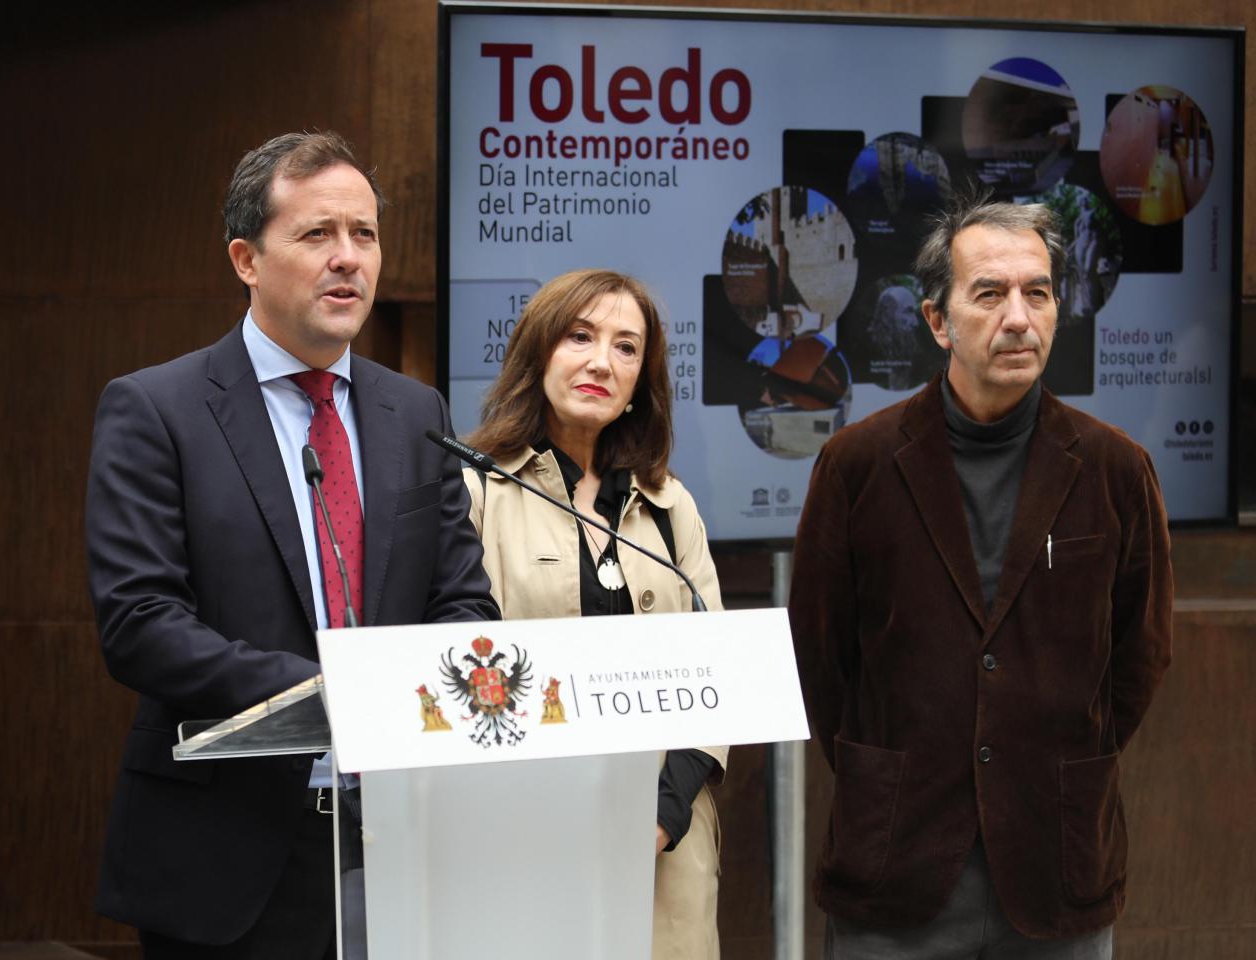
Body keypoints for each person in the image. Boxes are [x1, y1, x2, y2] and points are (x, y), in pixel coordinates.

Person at [84, 130, 497, 958]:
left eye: (365, 235)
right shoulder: (157, 410)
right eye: (317, 235)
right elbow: (141, 622)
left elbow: (462, 601)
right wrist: (329, 690)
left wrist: (423, 687)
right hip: (227, 855)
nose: (348, 258)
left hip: (397, 840)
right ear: (246, 258)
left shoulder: (415, 414)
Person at [789, 193, 1171, 958]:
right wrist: (891, 771)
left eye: (1038, 292)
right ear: (938, 321)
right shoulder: (858, 465)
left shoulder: (1113, 469)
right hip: (898, 860)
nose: (1020, 317)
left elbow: (1139, 656)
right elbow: (819, 659)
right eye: (990, 294)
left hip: (1055, 856)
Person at [462, 269, 727, 960]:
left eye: (626, 347)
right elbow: (457, 677)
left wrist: (661, 820)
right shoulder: (472, 493)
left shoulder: (673, 508)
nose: (601, 362)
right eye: (580, 337)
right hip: (520, 840)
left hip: (664, 853)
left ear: (643, 377)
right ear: (539, 351)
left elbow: (717, 680)